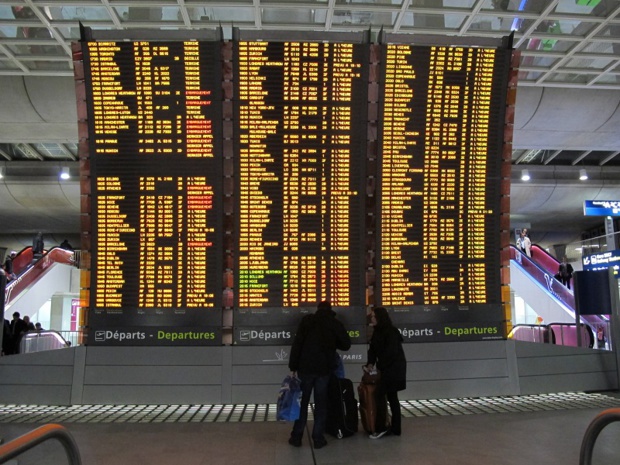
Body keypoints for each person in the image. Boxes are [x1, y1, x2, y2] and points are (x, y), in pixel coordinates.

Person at [288, 301, 352, 449]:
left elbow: (297, 343)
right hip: (324, 370)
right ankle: (318, 438)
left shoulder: (307, 321)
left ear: (317, 309)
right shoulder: (334, 323)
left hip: (305, 368)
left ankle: (296, 436)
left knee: (302, 403)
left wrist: (293, 366)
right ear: (331, 310)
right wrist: (333, 342)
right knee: (321, 403)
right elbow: (346, 345)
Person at [364, 306, 407, 439]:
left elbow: (390, 353)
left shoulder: (389, 332)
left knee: (380, 395)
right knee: (392, 397)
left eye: (373, 316)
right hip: (391, 369)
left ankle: (381, 427)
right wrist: (370, 364)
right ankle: (395, 428)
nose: (371, 318)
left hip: (393, 370)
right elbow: (372, 350)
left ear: (379, 317)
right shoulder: (379, 331)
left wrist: (378, 366)